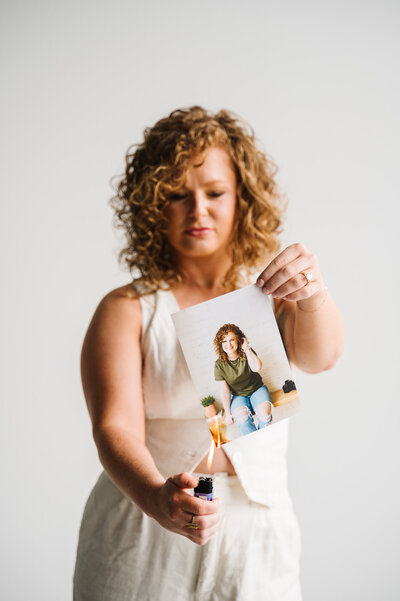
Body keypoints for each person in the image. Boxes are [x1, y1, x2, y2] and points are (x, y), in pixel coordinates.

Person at [73, 106, 345, 601]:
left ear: (243, 196)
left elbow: (320, 357)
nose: (198, 210)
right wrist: (158, 498)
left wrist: (315, 295)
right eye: (177, 195)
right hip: (145, 524)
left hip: (257, 533)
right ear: (152, 205)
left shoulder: (272, 297)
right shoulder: (126, 310)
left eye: (215, 192)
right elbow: (114, 426)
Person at [214, 323, 273, 435]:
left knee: (265, 415)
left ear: (239, 340)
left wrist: (246, 348)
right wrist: (228, 414)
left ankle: (266, 437)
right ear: (220, 344)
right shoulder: (219, 365)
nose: (228, 344)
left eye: (232, 340)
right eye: (224, 341)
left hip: (257, 389)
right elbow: (224, 391)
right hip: (238, 396)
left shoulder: (247, 352)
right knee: (242, 417)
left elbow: (257, 368)